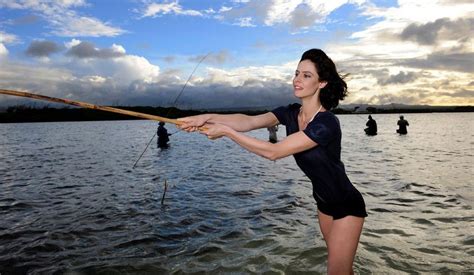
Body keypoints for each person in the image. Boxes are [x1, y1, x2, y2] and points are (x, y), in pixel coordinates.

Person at [178, 49, 367, 274]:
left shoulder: (326, 123)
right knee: (341, 268)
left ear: (322, 82)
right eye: (297, 73)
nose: (297, 80)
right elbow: (248, 121)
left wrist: (227, 132)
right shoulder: (289, 113)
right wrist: (206, 118)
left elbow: (274, 152)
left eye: (306, 75)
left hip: (347, 204)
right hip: (324, 204)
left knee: (336, 272)